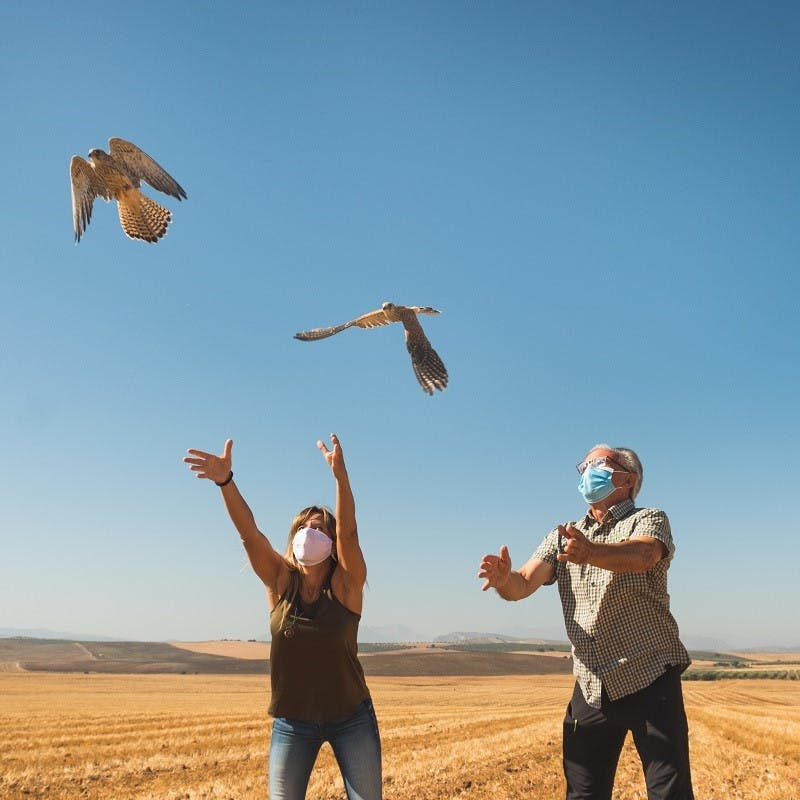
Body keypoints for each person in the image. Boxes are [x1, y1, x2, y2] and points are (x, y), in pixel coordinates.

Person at [478, 443, 694, 800]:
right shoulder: (563, 535)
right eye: (585, 465)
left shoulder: (649, 518)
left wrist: (591, 552)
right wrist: (505, 581)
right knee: (582, 794)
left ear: (628, 479)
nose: (589, 471)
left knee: (669, 792)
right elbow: (524, 583)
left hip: (650, 675)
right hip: (592, 684)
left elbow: (643, 554)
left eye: (600, 464)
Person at [184, 433, 381, 800]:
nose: (311, 531)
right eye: (305, 526)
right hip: (293, 722)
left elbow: (351, 535)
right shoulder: (279, 581)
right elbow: (249, 535)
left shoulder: (346, 586)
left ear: (332, 542)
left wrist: (341, 478)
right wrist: (226, 482)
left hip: (351, 717)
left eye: (320, 527)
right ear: (293, 536)